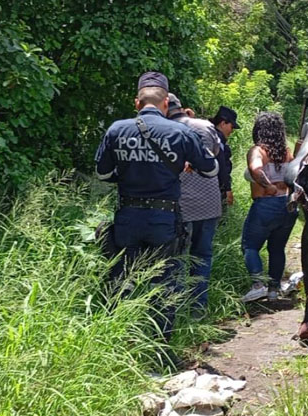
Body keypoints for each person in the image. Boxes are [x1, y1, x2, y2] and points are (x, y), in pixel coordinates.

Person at [95, 72, 219, 340]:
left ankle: (118, 340)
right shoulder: (181, 132)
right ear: (166, 104)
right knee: (165, 283)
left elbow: (103, 174)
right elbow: (211, 170)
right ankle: (160, 346)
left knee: (121, 281)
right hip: (164, 219)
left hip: (127, 216)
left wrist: (128, 174)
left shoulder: (117, 129)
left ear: (137, 103)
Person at [167, 94, 222, 311]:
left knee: (178, 258)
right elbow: (215, 154)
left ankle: (179, 309)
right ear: (181, 108)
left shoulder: (164, 129)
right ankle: (198, 307)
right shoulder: (205, 126)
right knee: (202, 255)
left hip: (181, 204)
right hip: (209, 202)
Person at [240, 112, 297, 302]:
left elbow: (255, 169)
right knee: (277, 248)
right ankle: (274, 290)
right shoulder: (286, 152)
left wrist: (267, 185)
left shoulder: (258, 151)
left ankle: (258, 285)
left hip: (265, 204)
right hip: (287, 205)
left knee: (250, 246)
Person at [210, 106, 239, 209]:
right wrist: (227, 188)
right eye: (231, 127)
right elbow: (221, 164)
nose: (232, 131)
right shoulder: (217, 140)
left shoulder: (211, 135)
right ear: (223, 123)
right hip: (215, 188)